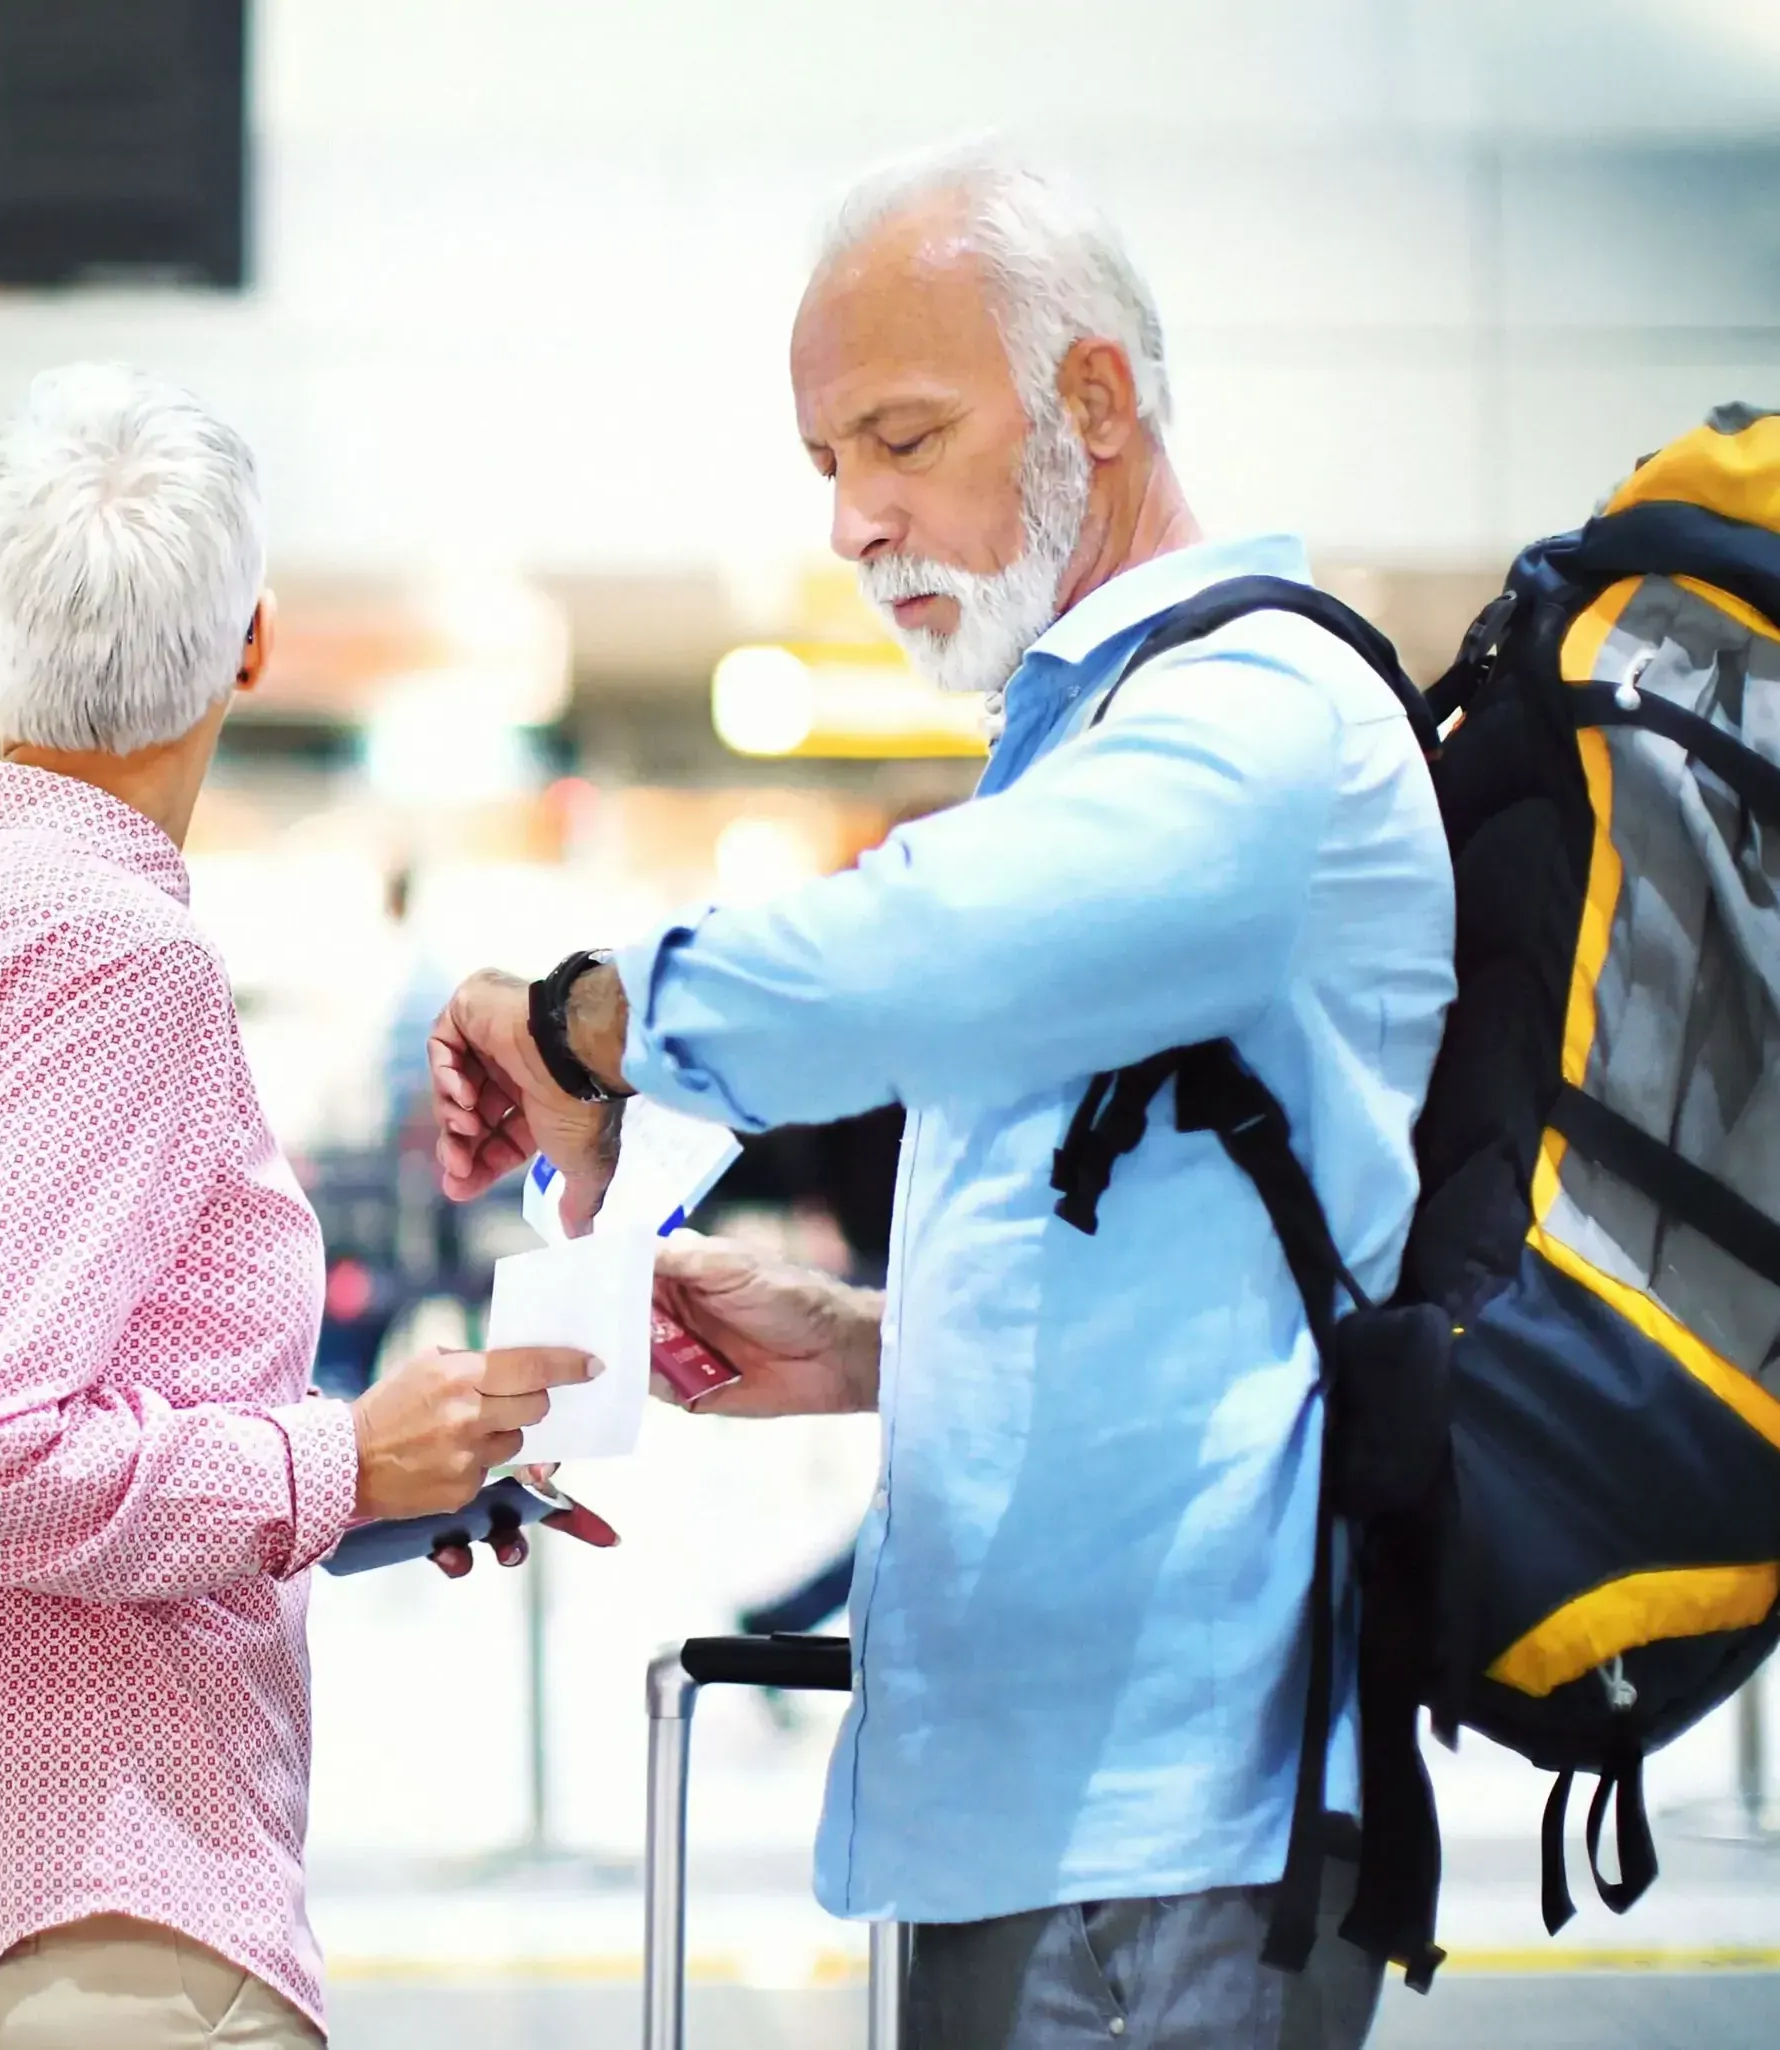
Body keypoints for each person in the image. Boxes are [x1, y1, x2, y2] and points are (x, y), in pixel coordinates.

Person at [426, 143, 1454, 2050]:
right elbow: (1180, 1266)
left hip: (1166, 1825)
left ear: (1095, 399)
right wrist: (863, 1342)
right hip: (1032, 1802)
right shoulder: (1104, 744)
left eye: (900, 439)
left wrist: (584, 1022)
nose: (856, 520)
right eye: (829, 465)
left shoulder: (1256, 724)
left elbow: (918, 960)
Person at [0, 363, 599, 2050]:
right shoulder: (115, 953)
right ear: (255, 643)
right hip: (98, 1909)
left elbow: (11, 1416)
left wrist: (372, 1498)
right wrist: (330, 1461)